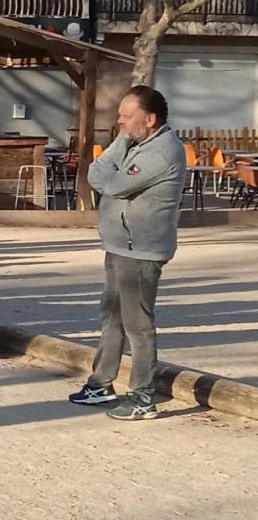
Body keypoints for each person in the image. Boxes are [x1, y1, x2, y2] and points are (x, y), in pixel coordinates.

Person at [73, 85, 185, 421]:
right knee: (111, 316)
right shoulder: (137, 143)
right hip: (120, 244)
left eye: (126, 116)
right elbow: (95, 172)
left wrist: (117, 153)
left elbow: (113, 185)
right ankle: (101, 383)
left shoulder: (161, 152)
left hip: (141, 251)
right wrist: (122, 140)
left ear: (149, 119)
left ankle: (143, 396)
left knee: (137, 324)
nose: (119, 121)